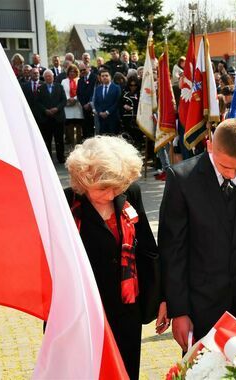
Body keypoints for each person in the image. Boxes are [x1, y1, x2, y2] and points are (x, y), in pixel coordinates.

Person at [158, 118, 236, 350]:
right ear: (209, 146)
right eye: (224, 167)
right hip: (202, 309)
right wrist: (179, 311)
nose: (232, 175)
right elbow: (173, 251)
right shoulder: (182, 179)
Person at [64, 136, 163, 380]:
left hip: (125, 312)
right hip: (81, 315)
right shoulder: (66, 202)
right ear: (82, 180)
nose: (110, 195)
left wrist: (162, 298)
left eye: (116, 187)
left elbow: (148, 251)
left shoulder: (132, 193)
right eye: (102, 188)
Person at [35, 69, 67, 163]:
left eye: (50, 76)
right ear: (44, 78)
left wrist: (57, 108)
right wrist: (45, 110)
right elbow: (37, 102)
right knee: (47, 140)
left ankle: (61, 158)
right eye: (46, 76)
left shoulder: (59, 87)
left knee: (59, 139)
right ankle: (48, 159)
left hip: (58, 117)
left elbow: (63, 100)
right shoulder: (40, 88)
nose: (48, 78)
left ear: (53, 77)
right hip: (46, 118)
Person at [93, 68, 121, 135]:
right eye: (102, 76)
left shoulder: (117, 88)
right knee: (103, 138)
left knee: (113, 138)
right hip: (101, 118)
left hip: (112, 117)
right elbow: (96, 102)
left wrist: (107, 112)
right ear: (100, 78)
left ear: (110, 77)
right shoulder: (98, 89)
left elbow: (117, 102)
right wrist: (100, 112)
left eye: (106, 75)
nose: (104, 77)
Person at [61, 64, 84, 147]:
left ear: (77, 72)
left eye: (74, 71)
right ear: (68, 72)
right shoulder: (64, 81)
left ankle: (78, 144)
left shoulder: (80, 80)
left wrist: (75, 98)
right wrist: (68, 99)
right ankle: (72, 144)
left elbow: (81, 92)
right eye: (70, 71)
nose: (72, 73)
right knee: (69, 126)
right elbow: (62, 92)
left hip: (78, 106)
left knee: (78, 126)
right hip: (68, 107)